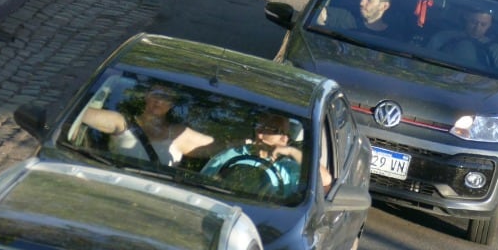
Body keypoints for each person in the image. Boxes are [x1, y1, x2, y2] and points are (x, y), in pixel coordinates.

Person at [80, 82, 214, 166]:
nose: (159, 101)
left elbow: (221, 148)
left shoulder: (179, 134)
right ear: (146, 96)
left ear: (171, 104)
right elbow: (79, 112)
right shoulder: (122, 122)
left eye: (166, 97)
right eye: (156, 94)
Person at [201, 111, 329, 196]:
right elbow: (203, 184)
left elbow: (325, 180)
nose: (285, 139)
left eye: (287, 134)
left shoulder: (289, 167)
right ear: (260, 132)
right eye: (279, 132)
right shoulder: (232, 155)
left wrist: (292, 151)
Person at [430, 8, 498, 71]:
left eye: (483, 25)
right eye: (474, 22)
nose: (477, 28)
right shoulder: (443, 37)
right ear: (466, 19)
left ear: (489, 25)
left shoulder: (497, 53)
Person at [318, 0, 394, 33]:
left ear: (384, 6)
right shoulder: (348, 18)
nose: (361, 2)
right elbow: (320, 12)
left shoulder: (394, 36)